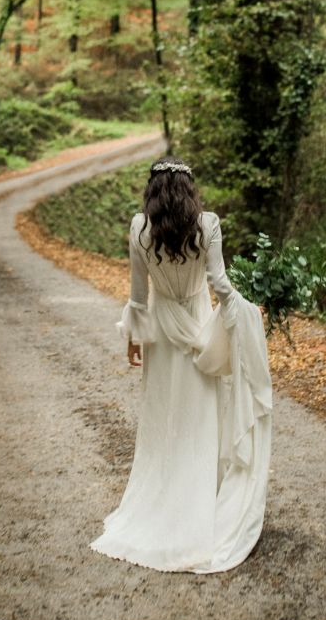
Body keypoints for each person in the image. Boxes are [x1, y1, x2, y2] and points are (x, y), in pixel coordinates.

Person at [89, 156, 273, 574]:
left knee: (162, 419)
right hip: (197, 328)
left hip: (160, 333)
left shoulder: (140, 227)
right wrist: (245, 313)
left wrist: (134, 338)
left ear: (153, 192)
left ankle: (161, 500)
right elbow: (220, 284)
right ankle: (199, 503)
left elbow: (138, 296)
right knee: (198, 417)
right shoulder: (207, 224)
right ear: (189, 190)